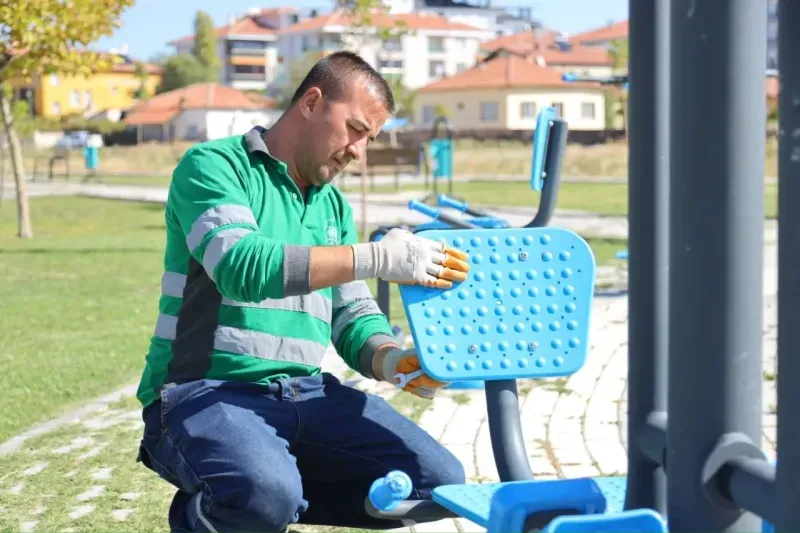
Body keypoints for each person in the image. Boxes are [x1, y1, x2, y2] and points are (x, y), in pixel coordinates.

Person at [135, 51, 472, 533]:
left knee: (439, 484)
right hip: (202, 391)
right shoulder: (214, 166)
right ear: (311, 102)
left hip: (306, 394)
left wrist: (393, 361)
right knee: (263, 495)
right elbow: (240, 265)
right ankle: (229, 509)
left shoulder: (332, 206)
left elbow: (352, 314)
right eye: (355, 129)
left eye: (369, 139)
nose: (358, 151)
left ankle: (259, 499)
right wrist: (377, 257)